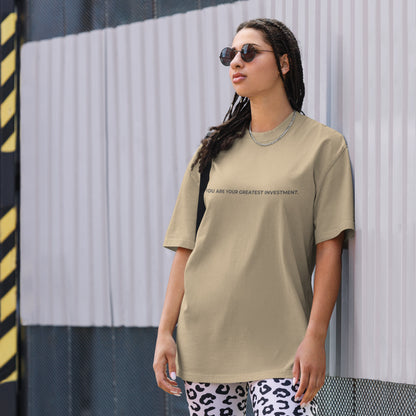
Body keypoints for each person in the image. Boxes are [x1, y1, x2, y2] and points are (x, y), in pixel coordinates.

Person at [153, 18, 354, 416]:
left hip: (283, 346)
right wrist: (164, 332)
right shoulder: (212, 152)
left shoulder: (323, 147)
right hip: (206, 343)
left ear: (283, 63)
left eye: (249, 52)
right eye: (230, 54)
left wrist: (316, 337)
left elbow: (330, 249)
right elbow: (186, 250)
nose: (236, 62)